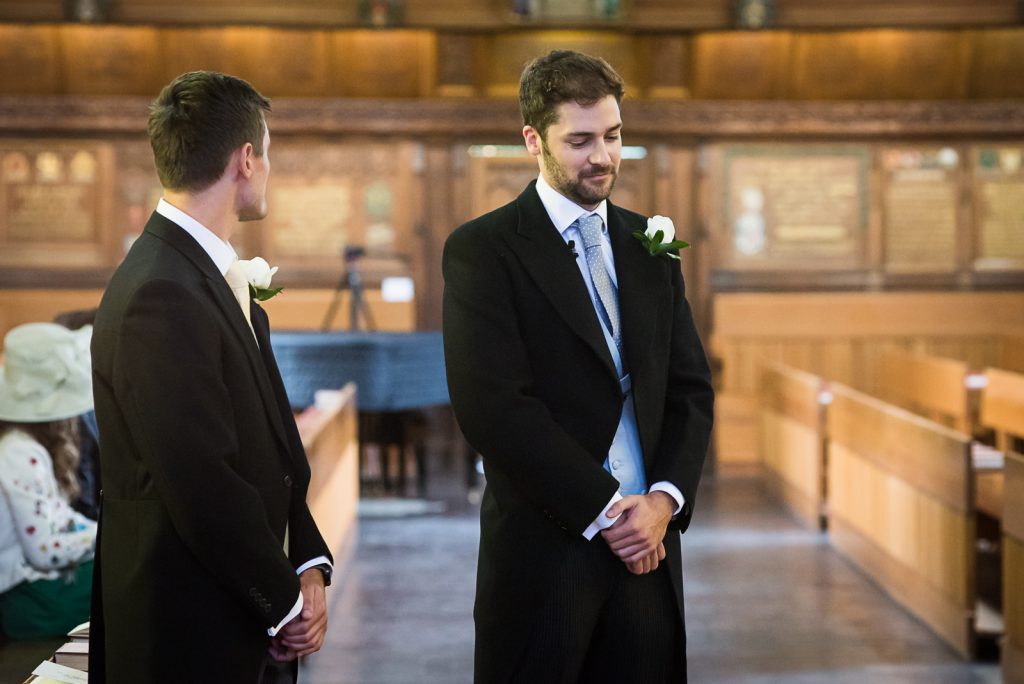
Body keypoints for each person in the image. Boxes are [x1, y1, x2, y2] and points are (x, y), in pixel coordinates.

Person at [442, 50, 714, 683]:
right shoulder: (484, 250)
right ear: (534, 140)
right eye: (581, 140)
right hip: (547, 551)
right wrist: (609, 510)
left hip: (649, 549)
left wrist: (664, 504)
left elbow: (690, 387)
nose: (603, 156)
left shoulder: (651, 244)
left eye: (614, 136)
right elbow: (493, 408)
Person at [89, 71, 332, 683]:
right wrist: (281, 603)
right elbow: (201, 480)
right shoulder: (159, 293)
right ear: (246, 159)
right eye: (269, 153)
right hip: (188, 628)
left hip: (233, 607)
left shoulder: (208, 276)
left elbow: (275, 446)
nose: (269, 167)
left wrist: (306, 560)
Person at [0, 322, 96, 639]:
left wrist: (96, 529)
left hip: (34, 592)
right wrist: (107, 537)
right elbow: (45, 550)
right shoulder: (19, 454)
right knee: (134, 581)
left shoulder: (24, 445)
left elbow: (58, 517)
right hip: (27, 599)